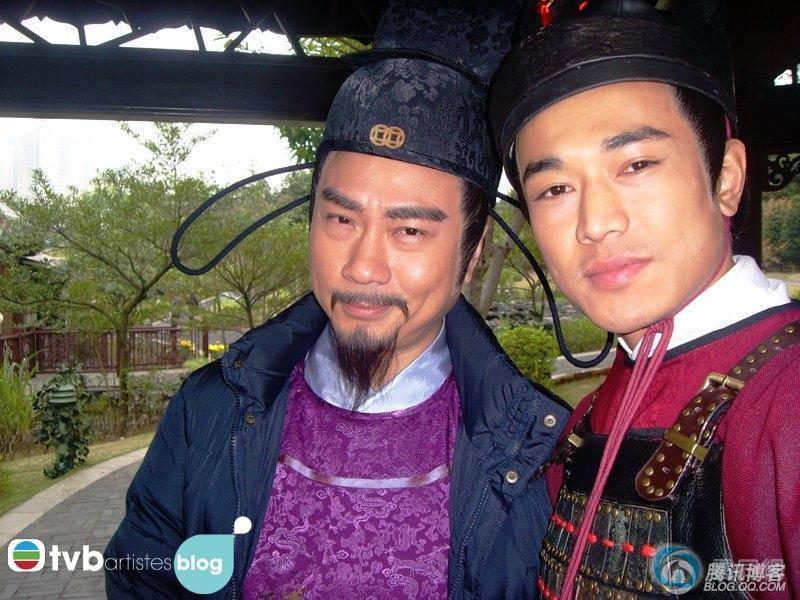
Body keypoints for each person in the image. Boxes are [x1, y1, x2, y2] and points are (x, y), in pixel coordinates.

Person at [105, 2, 570, 598]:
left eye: (410, 230)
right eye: (341, 219)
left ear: (473, 250)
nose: (362, 266)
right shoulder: (211, 410)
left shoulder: (532, 450)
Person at [490, 1, 800, 598]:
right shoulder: (589, 418)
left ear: (726, 178)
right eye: (555, 188)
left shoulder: (786, 401)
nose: (595, 222)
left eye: (636, 164)